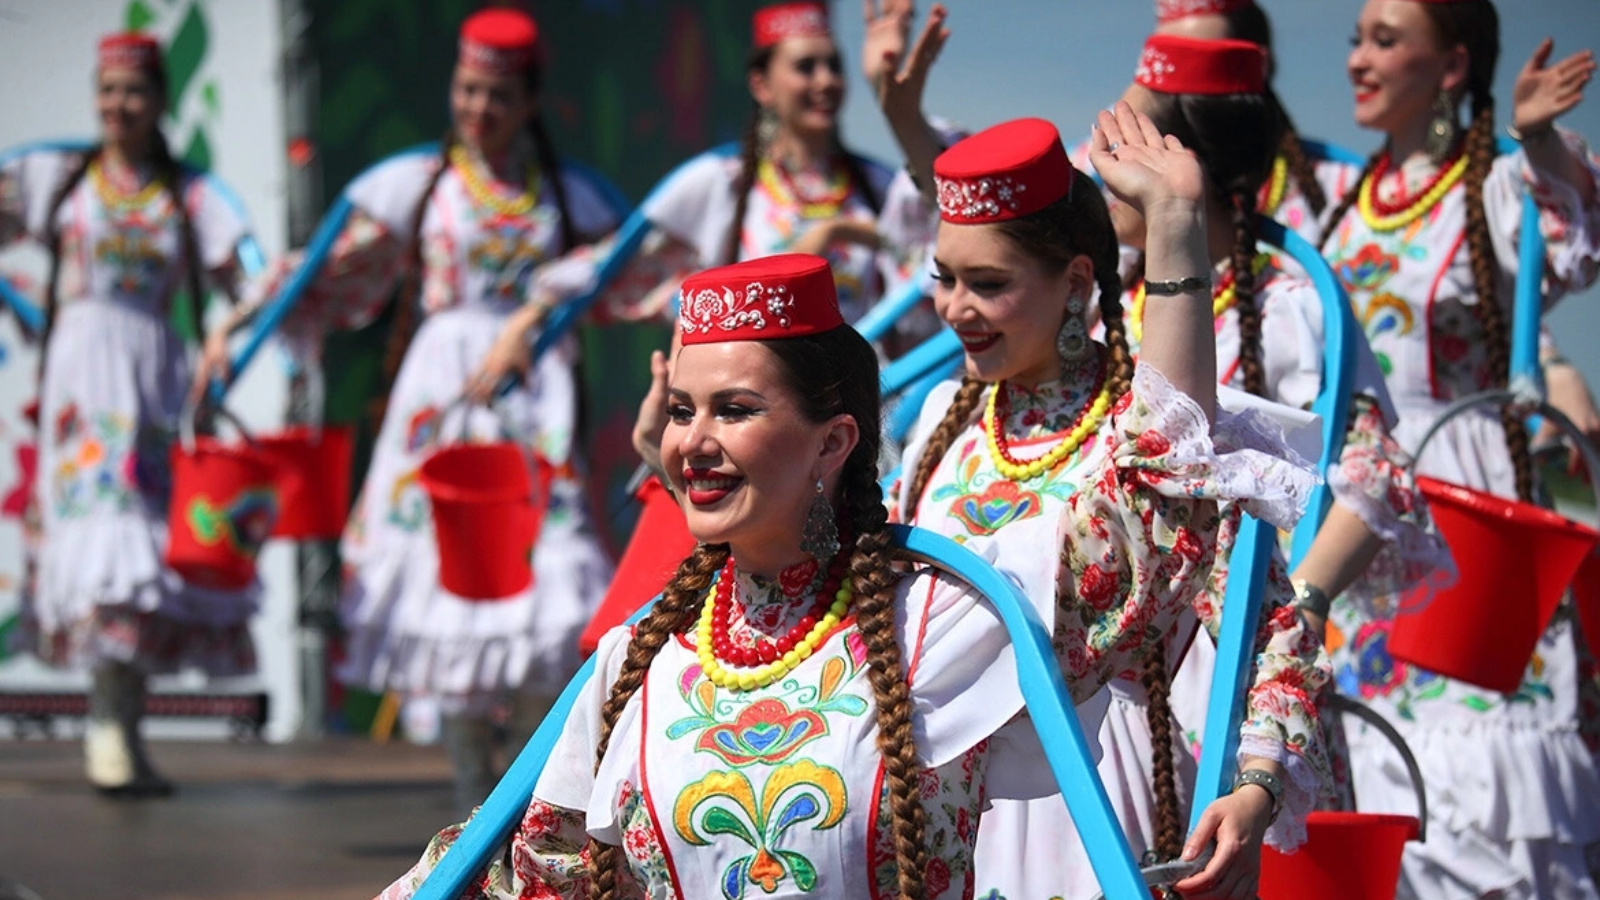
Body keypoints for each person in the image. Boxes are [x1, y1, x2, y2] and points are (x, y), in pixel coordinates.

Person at [378, 105, 1319, 899]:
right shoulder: (641, 657)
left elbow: (1164, 506)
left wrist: (1176, 239)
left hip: (1088, 787)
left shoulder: (940, 625)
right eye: (681, 413)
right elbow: (531, 869)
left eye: (735, 410)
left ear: (835, 445)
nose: (694, 441)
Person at [887, 107, 1328, 900]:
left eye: (988, 284)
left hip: (1090, 803)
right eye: (944, 279)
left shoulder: (1152, 441)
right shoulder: (936, 425)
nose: (955, 309)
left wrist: (1256, 789)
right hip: (936, 810)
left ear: (1078, 285)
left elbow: (1269, 630)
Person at [215, 9, 621, 817]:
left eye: (498, 96)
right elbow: (327, 265)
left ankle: (536, 796)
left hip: (528, 400)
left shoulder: (567, 194)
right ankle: (477, 796)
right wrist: (236, 322)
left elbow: (630, 251)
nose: (479, 109)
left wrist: (534, 311)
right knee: (451, 588)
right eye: (468, 90)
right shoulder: (419, 185)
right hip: (440, 396)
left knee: (547, 582)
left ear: (529, 101)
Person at [1311, 1, 1600, 897]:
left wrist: (1539, 141)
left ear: (1449, 68)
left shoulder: (1497, 187)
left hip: (1461, 500)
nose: (1358, 58)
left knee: (1478, 774)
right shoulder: (1342, 201)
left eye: (1386, 41)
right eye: (1358, 37)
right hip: (1357, 506)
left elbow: (1575, 238)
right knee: (1370, 758)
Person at [0, 32, 259, 795]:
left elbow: (252, 279)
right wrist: (19, 305)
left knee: (147, 559)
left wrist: (218, 331)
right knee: (104, 545)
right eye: (108, 90)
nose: (120, 106)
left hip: (154, 375)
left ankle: (125, 725)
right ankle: (107, 727)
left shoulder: (191, 194)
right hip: (83, 377)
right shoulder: (61, 178)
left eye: (135, 91)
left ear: (162, 100)